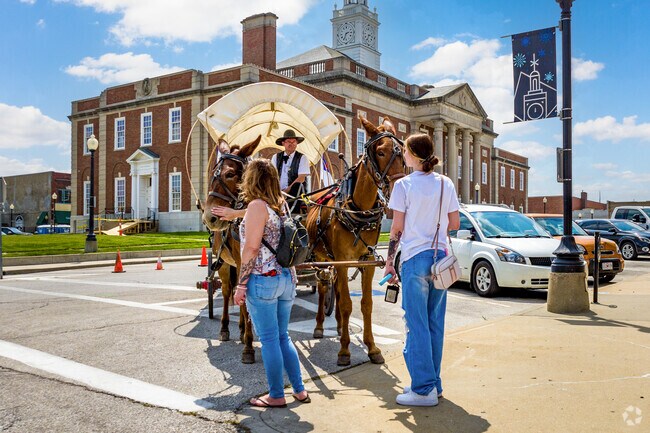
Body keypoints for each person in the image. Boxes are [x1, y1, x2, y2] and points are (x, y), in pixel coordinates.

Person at [383, 133, 460, 407]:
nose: (402, 155)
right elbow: (455, 223)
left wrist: (389, 260)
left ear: (413, 155)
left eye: (404, 151)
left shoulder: (403, 186)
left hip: (415, 258)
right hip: (440, 258)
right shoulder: (445, 183)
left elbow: (397, 229)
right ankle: (432, 383)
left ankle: (423, 389)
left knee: (416, 326)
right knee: (434, 324)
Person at [233, 158, 310, 408]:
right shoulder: (281, 205)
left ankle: (276, 394)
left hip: (264, 280)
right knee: (282, 336)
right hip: (286, 278)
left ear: (251, 179)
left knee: (268, 339)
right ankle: (299, 390)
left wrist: (241, 283)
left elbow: (252, 248)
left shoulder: (257, 206)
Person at [270, 129, 310, 203]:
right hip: (278, 192)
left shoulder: (302, 157)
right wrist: (278, 192)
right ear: (283, 143)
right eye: (288, 141)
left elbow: (301, 178)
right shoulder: (275, 157)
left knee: (297, 186)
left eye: (294, 141)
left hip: (298, 194)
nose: (291, 144)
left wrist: (286, 191)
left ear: (296, 143)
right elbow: (272, 176)